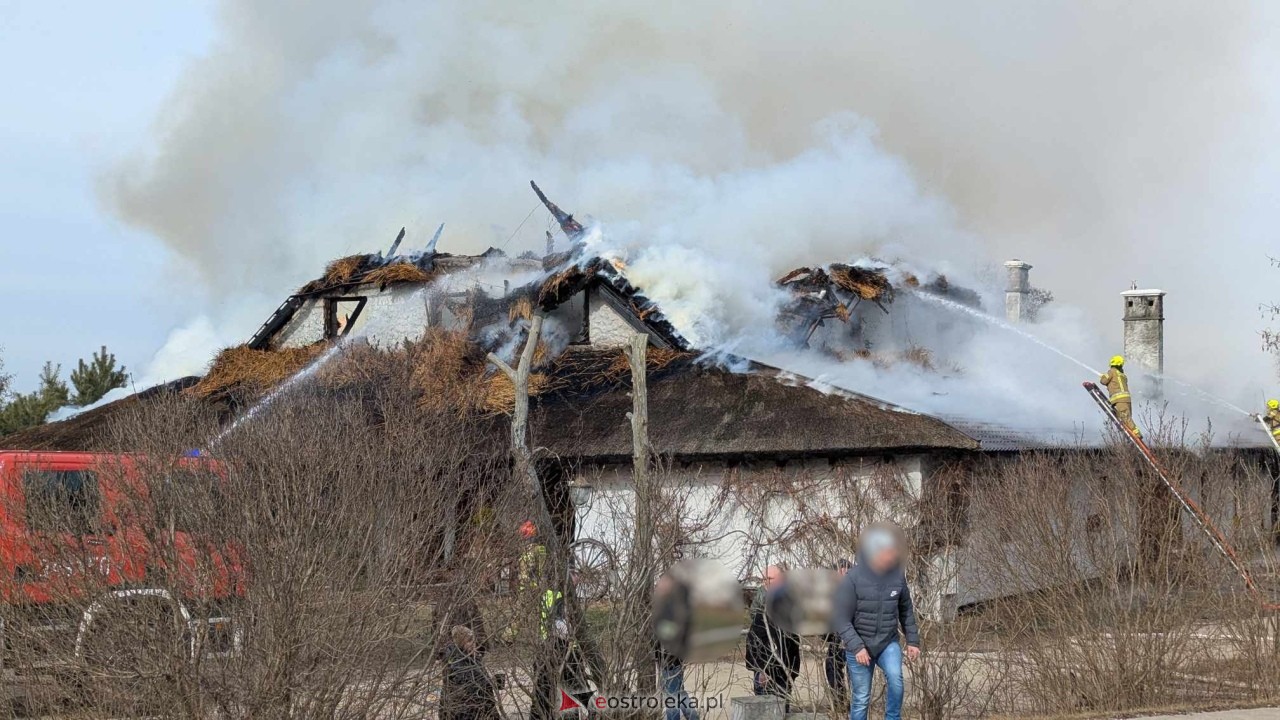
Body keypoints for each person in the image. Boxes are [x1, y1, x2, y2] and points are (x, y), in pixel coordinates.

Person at [833, 529, 921, 720]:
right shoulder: (853, 578)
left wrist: (913, 641)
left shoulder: (897, 577)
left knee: (896, 680)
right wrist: (857, 647)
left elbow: (906, 610)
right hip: (859, 646)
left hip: (887, 642)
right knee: (861, 698)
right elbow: (841, 618)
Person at [745, 565, 800, 709]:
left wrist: (791, 670)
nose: (766, 582)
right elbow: (757, 634)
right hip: (763, 661)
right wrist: (762, 668)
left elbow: (790, 639)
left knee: (781, 706)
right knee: (763, 707)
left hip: (784, 663)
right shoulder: (761, 596)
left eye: (770, 578)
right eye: (764, 579)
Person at [654, 573, 699, 720]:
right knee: (678, 692)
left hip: (670, 658)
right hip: (670, 657)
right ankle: (693, 717)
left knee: (672, 697)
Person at [440, 625, 500, 720]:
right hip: (467, 714)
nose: (473, 643)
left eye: (473, 640)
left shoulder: (473, 659)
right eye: (469, 641)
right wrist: (489, 684)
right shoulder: (457, 664)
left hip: (480, 711)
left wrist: (493, 682)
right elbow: (471, 690)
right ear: (460, 644)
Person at [824, 559, 854, 713]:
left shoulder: (857, 590)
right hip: (837, 639)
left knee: (854, 672)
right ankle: (839, 703)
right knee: (832, 668)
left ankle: (855, 705)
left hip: (854, 639)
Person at [1098, 355, 1142, 439]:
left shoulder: (1112, 371)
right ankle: (1133, 433)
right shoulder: (1122, 375)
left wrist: (1103, 377)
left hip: (1119, 399)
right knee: (1127, 418)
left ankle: (1137, 434)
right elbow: (1114, 383)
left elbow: (1103, 381)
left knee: (1125, 417)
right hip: (1126, 399)